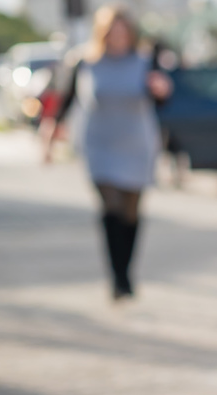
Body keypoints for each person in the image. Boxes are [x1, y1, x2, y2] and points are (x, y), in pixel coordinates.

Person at [40, 4, 172, 301]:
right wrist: (49, 136)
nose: (118, 36)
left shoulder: (146, 60)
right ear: (102, 33)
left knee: (131, 211)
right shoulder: (84, 62)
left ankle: (126, 270)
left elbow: (162, 97)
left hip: (137, 145)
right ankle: (117, 277)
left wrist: (162, 90)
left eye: (123, 30)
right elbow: (66, 100)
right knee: (110, 208)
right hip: (99, 145)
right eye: (113, 31)